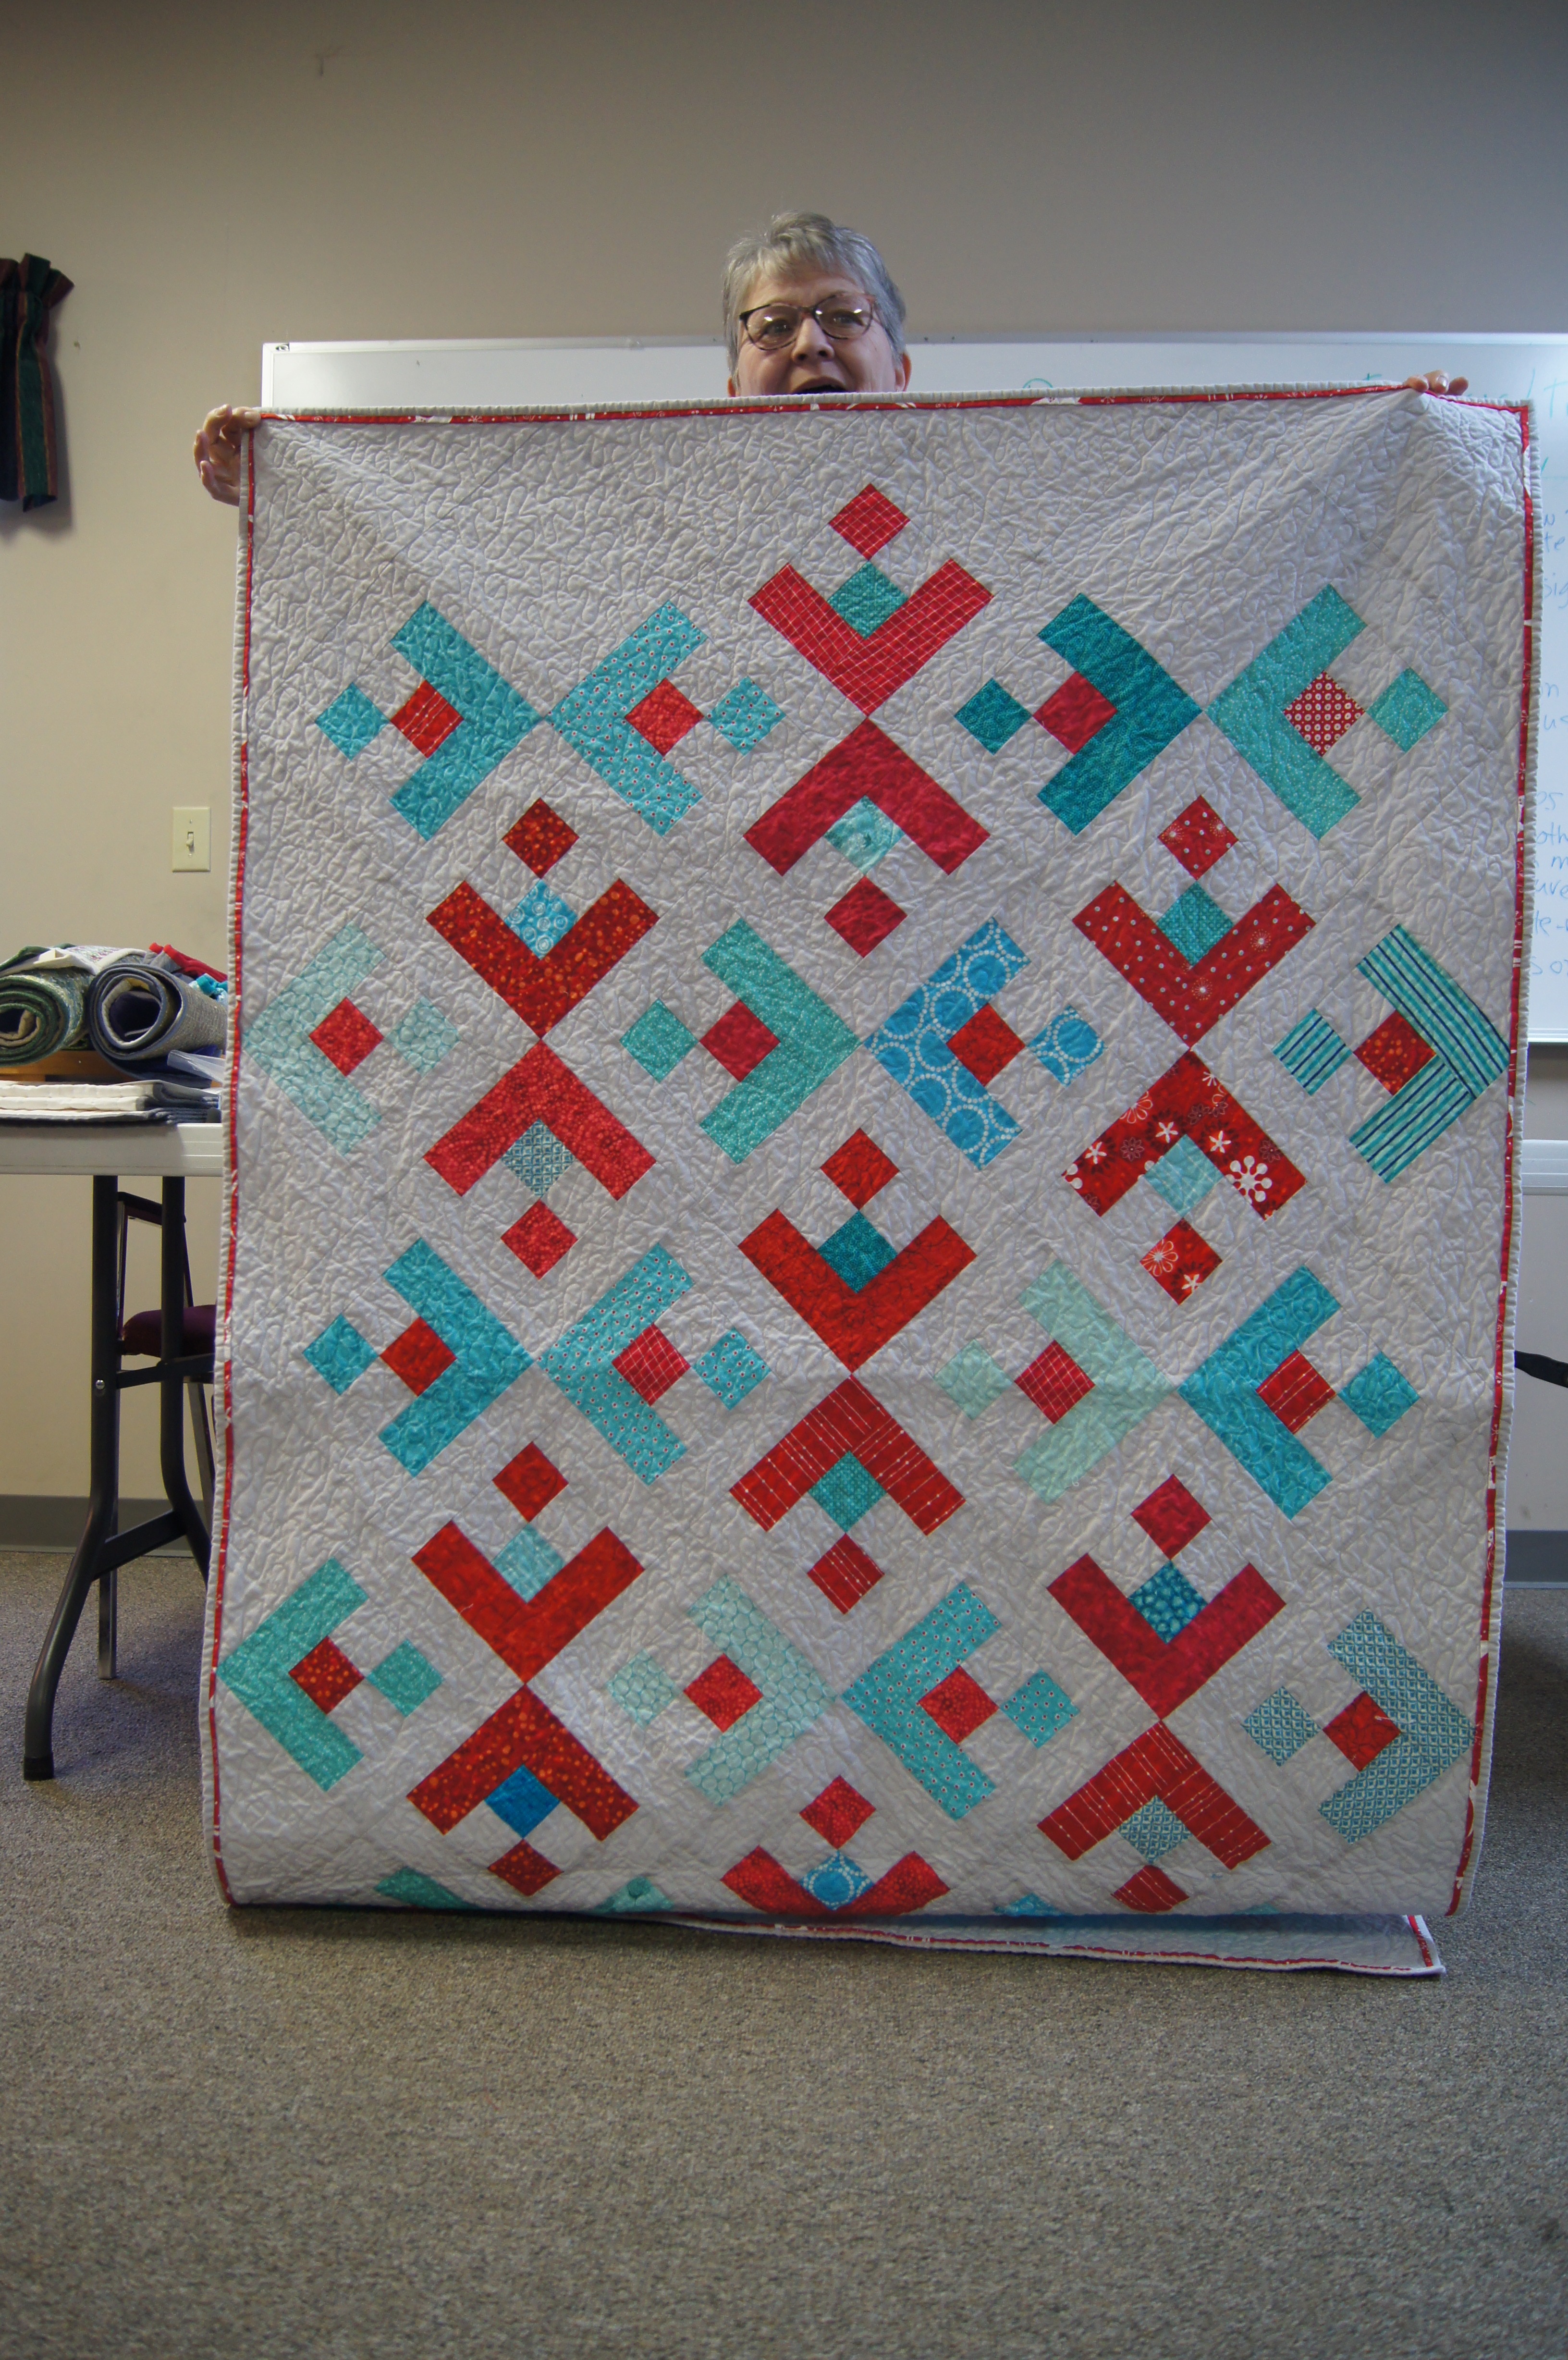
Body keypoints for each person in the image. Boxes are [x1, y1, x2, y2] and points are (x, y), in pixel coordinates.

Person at [191, 211, 1465, 503]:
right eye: (773, 326)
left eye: (845, 319)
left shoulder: (1014, 488)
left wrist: (1400, 454)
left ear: (902, 363)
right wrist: (297, 491)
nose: (810, 344)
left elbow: (1186, 519)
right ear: (730, 376)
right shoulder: (648, 507)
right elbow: (480, 543)